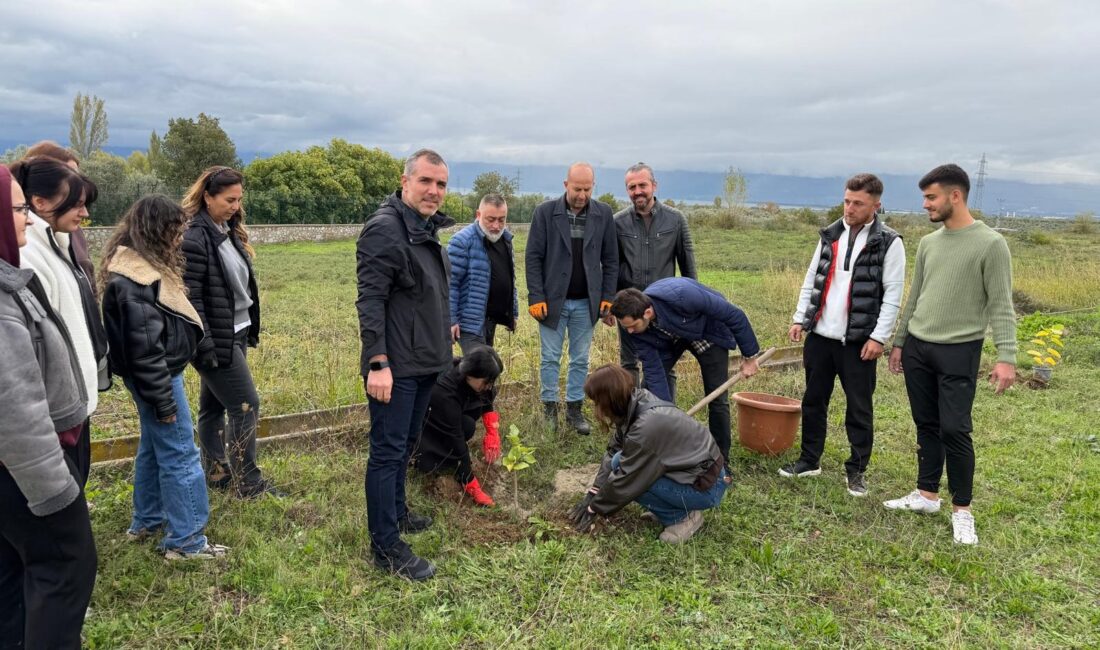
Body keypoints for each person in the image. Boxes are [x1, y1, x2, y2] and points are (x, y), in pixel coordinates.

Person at [885, 164, 1017, 546]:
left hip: (960, 350)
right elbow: (916, 295)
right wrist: (900, 341)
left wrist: (1006, 357)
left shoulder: (991, 244)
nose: (926, 204)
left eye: (931, 197)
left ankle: (963, 510)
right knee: (926, 424)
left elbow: (1001, 305)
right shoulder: (929, 243)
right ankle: (927, 495)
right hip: (919, 346)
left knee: (955, 429)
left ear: (954, 196)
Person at [0, 165, 98, 648]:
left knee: (13, 574)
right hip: (29, 470)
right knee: (64, 567)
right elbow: (12, 402)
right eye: (17, 208)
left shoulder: (15, 269)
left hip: (24, 464)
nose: (25, 219)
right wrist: (53, 488)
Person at [101, 195, 229, 560]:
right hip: (158, 380)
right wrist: (164, 402)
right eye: (175, 229)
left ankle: (147, 520)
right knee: (180, 453)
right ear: (156, 230)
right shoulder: (136, 281)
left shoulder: (145, 268)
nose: (180, 237)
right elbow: (144, 353)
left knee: (154, 449)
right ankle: (186, 541)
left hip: (157, 377)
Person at [357, 148, 454, 581]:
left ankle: (397, 513)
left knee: (406, 444)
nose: (434, 191)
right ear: (405, 181)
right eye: (426, 182)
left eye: (441, 184)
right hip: (396, 365)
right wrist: (378, 362)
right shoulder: (384, 230)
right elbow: (371, 300)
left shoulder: (423, 227)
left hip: (425, 360)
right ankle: (385, 547)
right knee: (387, 451)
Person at [781, 173, 905, 497]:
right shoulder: (830, 234)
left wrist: (879, 338)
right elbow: (812, 279)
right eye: (847, 200)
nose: (849, 208)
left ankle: (857, 471)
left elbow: (893, 294)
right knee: (813, 400)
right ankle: (810, 460)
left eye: (858, 203)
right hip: (821, 336)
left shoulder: (890, 242)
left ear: (876, 205)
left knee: (859, 407)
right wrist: (800, 319)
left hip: (859, 342)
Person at [181, 166, 281, 498]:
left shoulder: (225, 229)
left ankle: (217, 473)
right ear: (207, 197)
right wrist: (205, 344)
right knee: (245, 406)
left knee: (213, 408)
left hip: (235, 331)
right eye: (228, 199)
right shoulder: (195, 237)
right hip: (216, 338)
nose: (235, 206)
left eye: (238, 200)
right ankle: (248, 483)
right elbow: (191, 297)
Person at [10, 157, 107, 487]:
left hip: (74, 403)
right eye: (76, 204)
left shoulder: (59, 244)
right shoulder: (28, 255)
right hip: (57, 413)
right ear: (40, 202)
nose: (85, 214)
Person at [569, 365, 729, 544]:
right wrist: (594, 492)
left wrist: (594, 508)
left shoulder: (646, 426)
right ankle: (671, 506)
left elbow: (627, 479)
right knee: (617, 461)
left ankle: (682, 517)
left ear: (608, 400)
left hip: (706, 486)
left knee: (631, 479)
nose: (596, 408)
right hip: (693, 474)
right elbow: (614, 450)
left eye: (597, 402)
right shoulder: (634, 403)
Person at [610, 277, 761, 465]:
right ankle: (644, 447)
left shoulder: (683, 296)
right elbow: (654, 368)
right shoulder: (631, 326)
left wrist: (750, 356)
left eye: (632, 326)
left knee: (717, 397)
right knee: (648, 391)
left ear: (647, 313)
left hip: (706, 331)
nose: (629, 332)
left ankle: (720, 461)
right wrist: (666, 413)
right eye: (626, 327)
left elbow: (734, 315)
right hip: (669, 337)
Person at [525, 162, 618, 435]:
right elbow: (533, 257)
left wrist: (607, 297)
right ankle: (550, 409)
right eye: (577, 188)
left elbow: (611, 259)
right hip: (552, 302)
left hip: (586, 303)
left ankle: (575, 410)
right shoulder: (545, 213)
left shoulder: (603, 214)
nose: (582, 195)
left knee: (580, 359)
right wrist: (536, 296)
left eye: (587, 189)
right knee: (550, 358)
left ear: (593, 186)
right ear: (566, 185)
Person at [612, 162, 697, 384]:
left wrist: (691, 303)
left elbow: (687, 265)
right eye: (632, 187)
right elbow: (611, 265)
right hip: (628, 305)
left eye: (642, 185)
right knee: (629, 363)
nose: (637, 191)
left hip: (663, 307)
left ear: (654, 186)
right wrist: (609, 304)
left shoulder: (675, 220)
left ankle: (665, 414)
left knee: (665, 364)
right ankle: (632, 414)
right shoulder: (617, 223)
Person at [412, 347, 505, 507]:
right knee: (465, 428)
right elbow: (456, 439)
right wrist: (470, 483)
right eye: (486, 381)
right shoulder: (445, 393)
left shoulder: (467, 372)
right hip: (425, 426)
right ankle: (430, 459)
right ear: (471, 374)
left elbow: (486, 396)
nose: (489, 386)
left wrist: (492, 430)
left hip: (446, 416)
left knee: (468, 420)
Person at [447, 193, 517, 353]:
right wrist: (451, 320)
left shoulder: (506, 240)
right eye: (490, 219)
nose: (496, 226)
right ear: (478, 215)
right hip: (470, 322)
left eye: (501, 220)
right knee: (481, 368)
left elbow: (510, 279)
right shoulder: (462, 241)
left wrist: (513, 313)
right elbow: (450, 284)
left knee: (482, 368)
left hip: (491, 319)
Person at [22, 142, 95, 284]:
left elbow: (90, 283)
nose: (77, 183)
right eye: (68, 174)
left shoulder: (74, 233)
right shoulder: (23, 241)